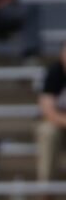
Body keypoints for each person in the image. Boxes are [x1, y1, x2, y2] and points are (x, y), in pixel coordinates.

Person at [36, 43, 66, 189]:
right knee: (48, 132)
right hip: (57, 123)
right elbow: (48, 111)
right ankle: (46, 185)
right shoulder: (54, 72)